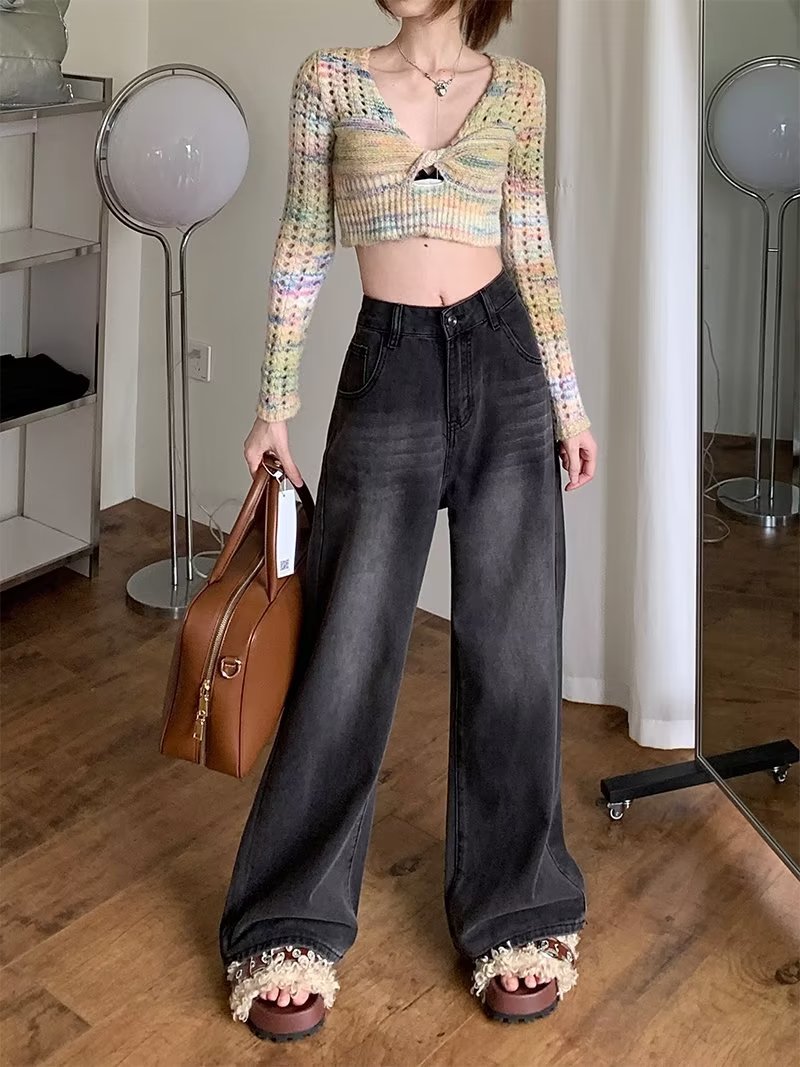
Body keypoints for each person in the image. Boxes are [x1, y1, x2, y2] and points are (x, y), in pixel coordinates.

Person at [219, 0, 597, 1043]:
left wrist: (567, 403)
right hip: (386, 370)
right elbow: (303, 236)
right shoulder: (331, 80)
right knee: (346, 648)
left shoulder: (517, 91)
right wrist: (273, 402)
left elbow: (532, 251)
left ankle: (518, 908)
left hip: (505, 365)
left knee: (515, 647)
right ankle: (288, 920)